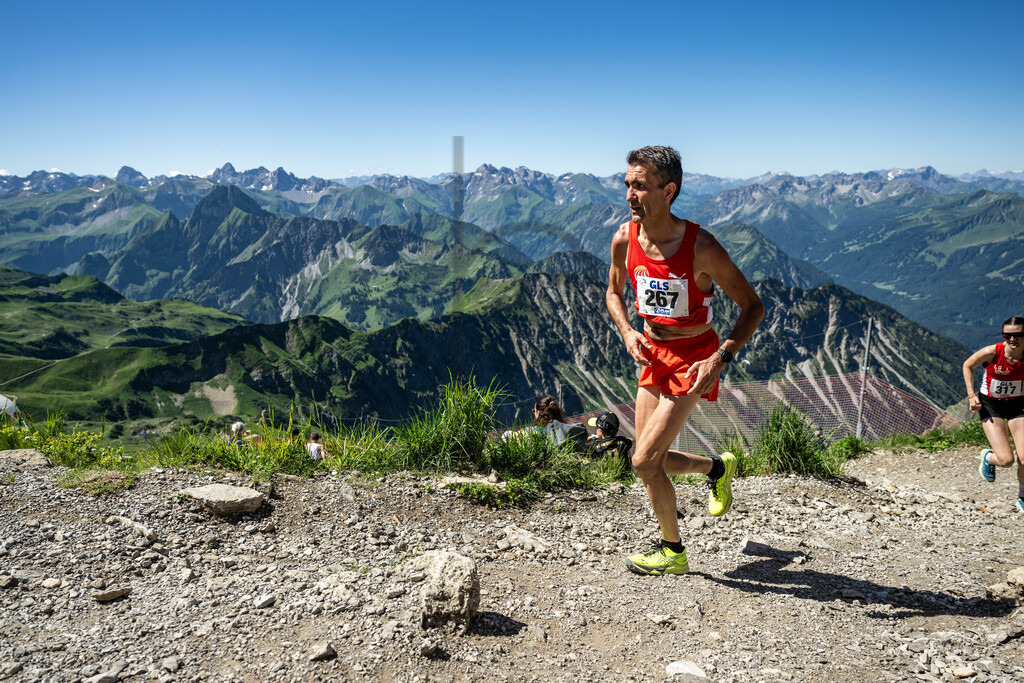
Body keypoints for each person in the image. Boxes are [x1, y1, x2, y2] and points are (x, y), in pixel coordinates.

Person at [606, 146, 764, 576]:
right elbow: (614, 293)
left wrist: (720, 357)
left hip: (693, 360)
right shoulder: (625, 239)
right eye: (627, 185)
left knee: (641, 462)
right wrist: (626, 330)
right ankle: (717, 468)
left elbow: (753, 307)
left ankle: (672, 551)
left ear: (668, 190)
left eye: (640, 186)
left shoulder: (701, 248)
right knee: (648, 457)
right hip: (652, 355)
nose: (629, 195)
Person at [963, 316, 1024, 513]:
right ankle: (988, 458)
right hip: (992, 406)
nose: (1012, 339)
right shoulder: (992, 352)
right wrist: (972, 396)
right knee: (1006, 460)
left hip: (1019, 406)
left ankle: (1022, 497)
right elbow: (967, 365)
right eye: (1008, 335)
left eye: (1018, 335)